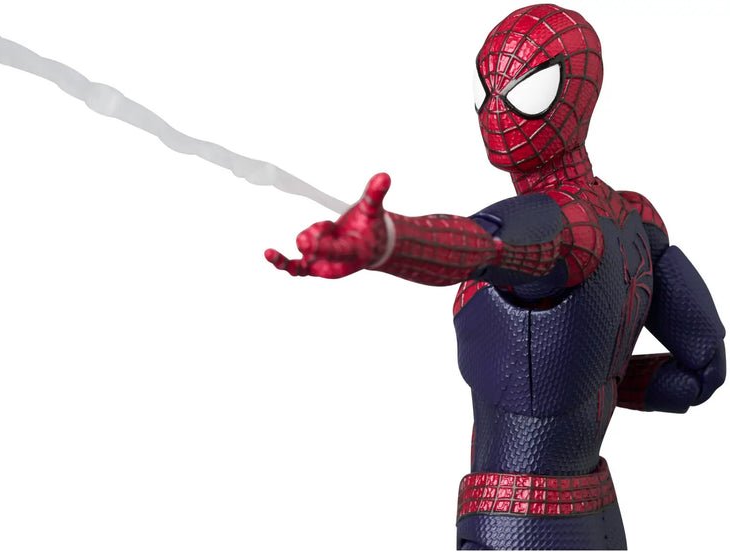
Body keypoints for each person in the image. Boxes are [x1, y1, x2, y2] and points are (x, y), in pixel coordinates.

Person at [265, 4, 725, 549]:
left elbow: (485, 244)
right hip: (598, 514)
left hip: (516, 519)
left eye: (528, 91)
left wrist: (388, 242)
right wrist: (596, 382)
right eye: (486, 90)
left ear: (580, 95)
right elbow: (702, 369)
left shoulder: (565, 226)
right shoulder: (637, 220)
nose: (496, 111)